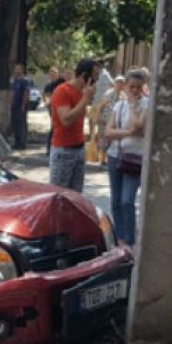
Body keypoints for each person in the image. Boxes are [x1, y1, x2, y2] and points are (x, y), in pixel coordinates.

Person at [103, 69, 148, 246]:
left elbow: (138, 126)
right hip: (115, 156)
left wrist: (131, 105)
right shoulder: (118, 105)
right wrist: (127, 132)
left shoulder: (146, 104)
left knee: (127, 200)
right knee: (115, 200)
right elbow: (108, 132)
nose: (134, 91)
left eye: (138, 87)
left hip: (135, 158)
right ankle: (120, 238)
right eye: (131, 87)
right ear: (125, 86)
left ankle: (129, 239)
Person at [49, 59, 100, 192]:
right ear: (84, 76)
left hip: (79, 148)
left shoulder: (82, 93)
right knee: (60, 196)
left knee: (76, 196)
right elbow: (65, 120)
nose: (96, 80)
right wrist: (85, 100)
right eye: (94, 76)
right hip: (64, 150)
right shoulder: (63, 91)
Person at [95, 75, 125, 166]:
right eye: (118, 83)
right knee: (104, 139)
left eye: (122, 83)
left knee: (112, 141)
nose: (120, 85)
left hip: (115, 122)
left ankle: (109, 159)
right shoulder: (109, 93)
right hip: (105, 120)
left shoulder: (123, 95)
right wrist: (97, 117)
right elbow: (100, 106)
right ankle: (102, 160)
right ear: (115, 83)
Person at [43, 68, 66, 156]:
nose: (53, 75)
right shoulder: (49, 85)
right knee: (54, 127)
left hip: (61, 108)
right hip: (52, 108)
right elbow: (45, 95)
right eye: (51, 74)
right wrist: (46, 102)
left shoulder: (61, 83)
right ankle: (49, 149)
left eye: (55, 74)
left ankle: (59, 147)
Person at [10, 64, 30, 150]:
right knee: (15, 124)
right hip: (14, 105)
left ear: (22, 70)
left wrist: (23, 105)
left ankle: (22, 143)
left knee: (21, 124)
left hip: (21, 105)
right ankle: (17, 142)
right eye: (15, 69)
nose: (16, 70)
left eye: (18, 69)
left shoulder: (24, 81)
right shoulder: (14, 81)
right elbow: (12, 93)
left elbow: (26, 94)